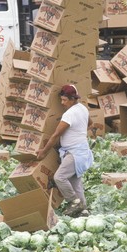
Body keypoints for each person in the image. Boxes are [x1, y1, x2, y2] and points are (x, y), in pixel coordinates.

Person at [37, 85, 93, 217]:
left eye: (64, 100)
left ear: (73, 99)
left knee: (59, 177)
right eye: (61, 100)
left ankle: (74, 202)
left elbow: (55, 135)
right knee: (75, 182)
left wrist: (44, 151)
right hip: (82, 150)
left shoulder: (70, 114)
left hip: (75, 152)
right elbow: (90, 123)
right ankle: (83, 210)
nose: (62, 103)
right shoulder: (82, 108)